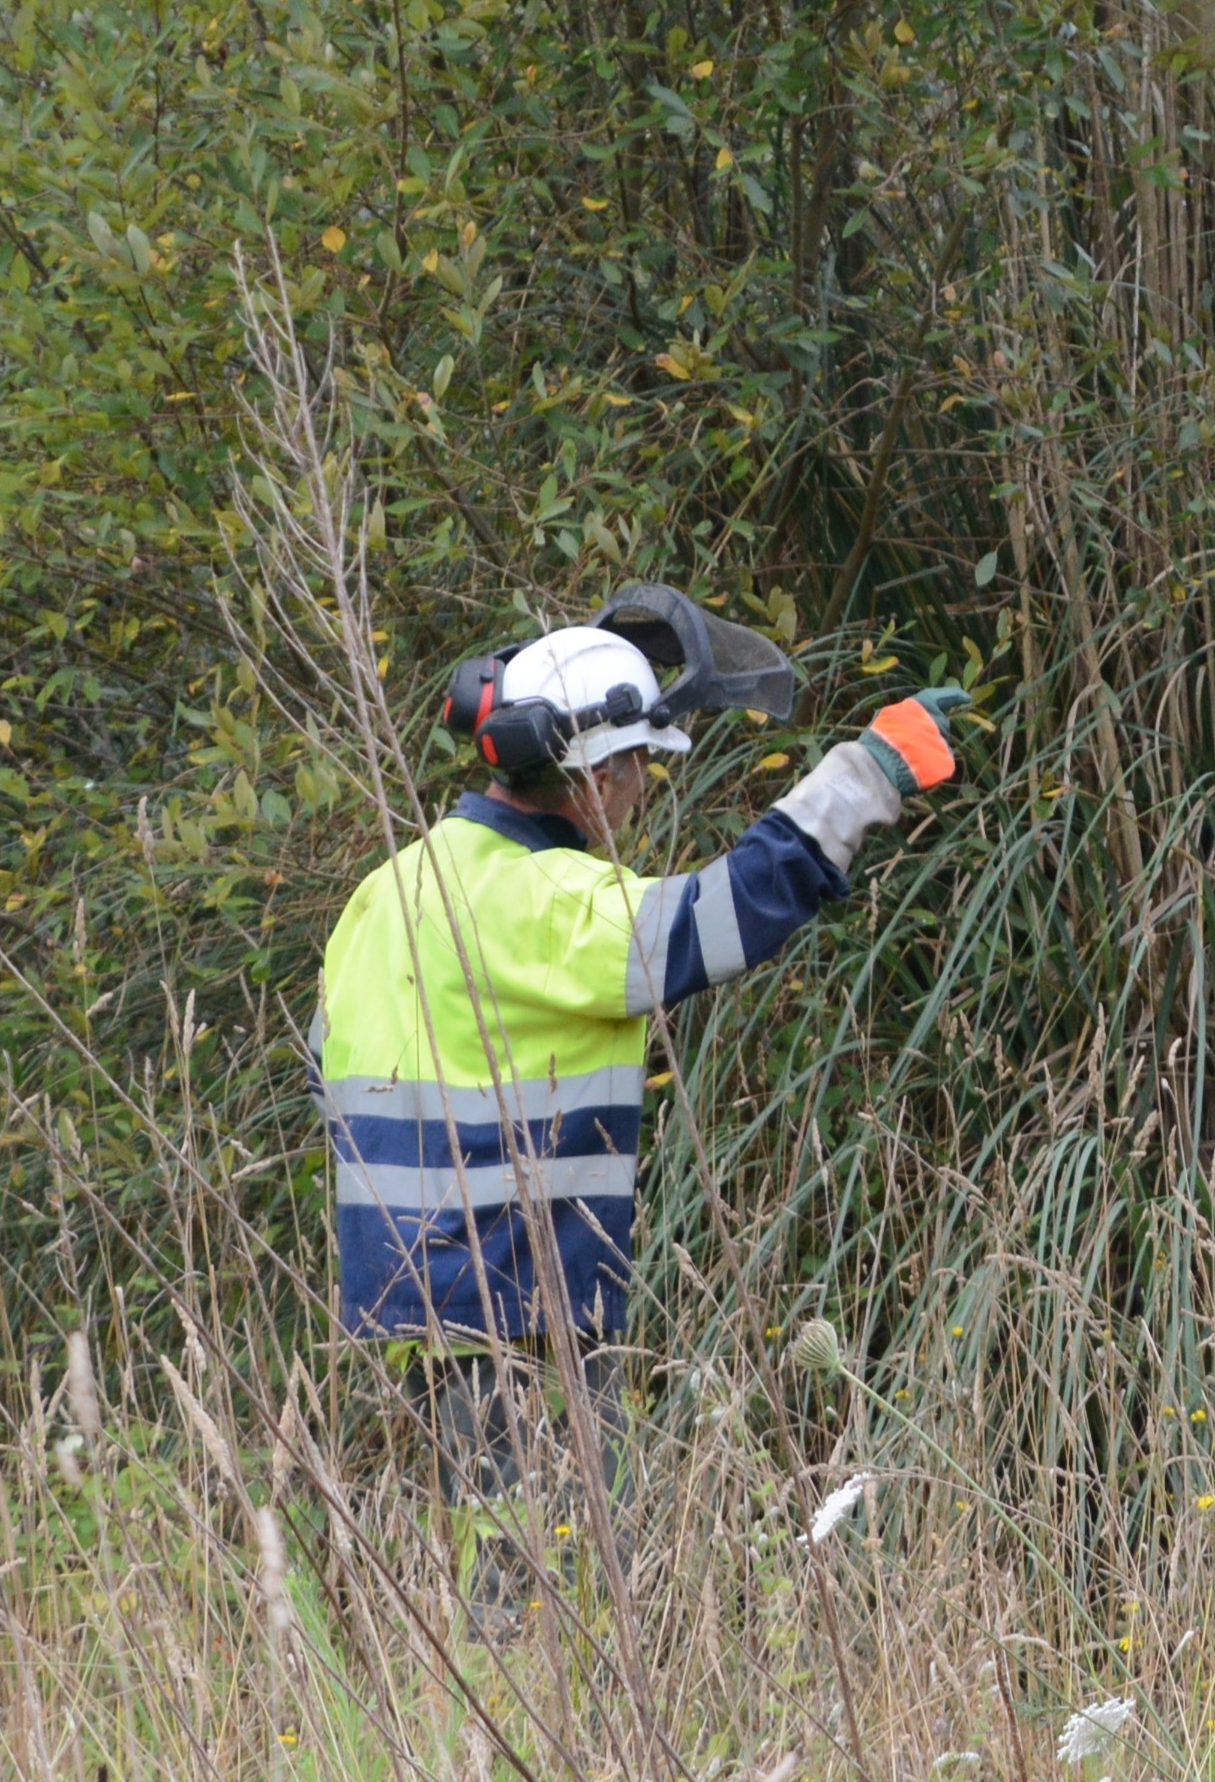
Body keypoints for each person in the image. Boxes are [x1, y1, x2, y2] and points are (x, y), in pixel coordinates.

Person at [312, 613, 960, 1633]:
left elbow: (328, 1065)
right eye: (639, 769)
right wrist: (862, 777)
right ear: (591, 774)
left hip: (418, 1297)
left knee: (500, 1578)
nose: (643, 793)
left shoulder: (388, 892)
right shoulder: (543, 900)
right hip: (518, 1294)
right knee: (541, 1607)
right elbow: (720, 918)